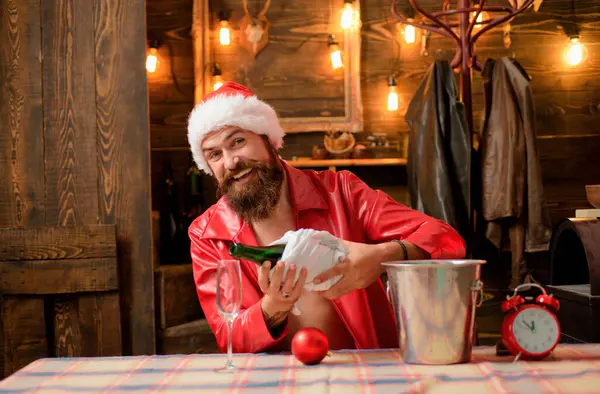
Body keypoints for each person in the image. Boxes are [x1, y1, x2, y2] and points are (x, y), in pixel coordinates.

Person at [187, 82, 466, 354]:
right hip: (273, 382)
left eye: (238, 141)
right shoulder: (206, 234)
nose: (231, 161)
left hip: (370, 371)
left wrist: (381, 257)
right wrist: (274, 306)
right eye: (215, 154)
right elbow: (230, 338)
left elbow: (446, 238)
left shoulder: (341, 192)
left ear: (267, 140)